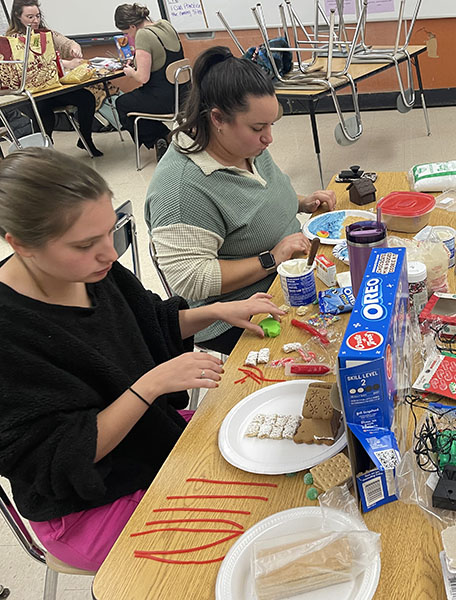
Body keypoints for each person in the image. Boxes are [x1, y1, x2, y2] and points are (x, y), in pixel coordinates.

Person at [0, 148, 286, 570]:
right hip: (89, 503)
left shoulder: (93, 271)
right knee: (244, 551)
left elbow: (150, 321)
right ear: (21, 245)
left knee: (275, 475)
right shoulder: (11, 333)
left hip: (151, 440)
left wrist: (215, 312)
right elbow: (59, 459)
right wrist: (150, 384)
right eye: (84, 244)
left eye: (109, 233)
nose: (109, 254)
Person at [145, 46, 337, 355]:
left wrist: (302, 202)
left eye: (271, 124)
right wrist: (270, 259)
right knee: (331, 350)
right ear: (218, 118)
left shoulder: (244, 145)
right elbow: (190, 280)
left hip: (291, 273)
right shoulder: (181, 188)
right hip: (237, 312)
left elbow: (258, 194)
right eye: (259, 127)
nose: (268, 138)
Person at [6, 0, 103, 156]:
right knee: (44, 114)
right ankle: (45, 154)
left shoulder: (46, 33)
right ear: (18, 17)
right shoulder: (12, 39)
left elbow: (65, 43)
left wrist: (74, 48)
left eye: (37, 16)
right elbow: (35, 62)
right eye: (30, 17)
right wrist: (67, 63)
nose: (35, 20)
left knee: (87, 98)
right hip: (30, 94)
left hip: (51, 88)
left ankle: (86, 140)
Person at [113, 3, 186, 156]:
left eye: (126, 32)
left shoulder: (143, 35)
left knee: (122, 104)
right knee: (136, 102)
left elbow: (143, 77)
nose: (128, 37)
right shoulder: (165, 25)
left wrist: (130, 71)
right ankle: (164, 137)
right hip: (184, 94)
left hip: (164, 99)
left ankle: (160, 137)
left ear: (132, 26)